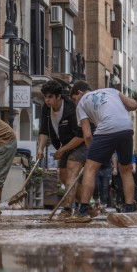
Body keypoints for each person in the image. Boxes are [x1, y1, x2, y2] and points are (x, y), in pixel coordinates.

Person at [68, 81, 137, 223]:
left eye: (75, 99)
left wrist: (92, 153)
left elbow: (87, 135)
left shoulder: (82, 103)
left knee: (90, 169)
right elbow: (133, 105)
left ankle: (83, 211)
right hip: (126, 126)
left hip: (106, 127)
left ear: (80, 93)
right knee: (126, 169)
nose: (76, 103)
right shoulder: (111, 91)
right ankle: (129, 211)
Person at [37, 80, 86, 219]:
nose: (47, 100)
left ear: (59, 96)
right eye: (45, 97)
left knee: (71, 171)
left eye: (50, 97)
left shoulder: (72, 107)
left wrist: (62, 150)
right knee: (65, 178)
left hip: (80, 143)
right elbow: (44, 130)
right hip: (64, 145)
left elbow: (81, 135)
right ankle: (87, 205)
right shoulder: (46, 108)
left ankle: (67, 209)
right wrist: (40, 148)